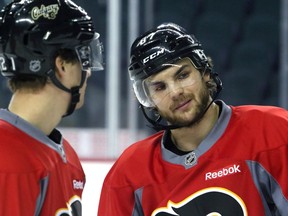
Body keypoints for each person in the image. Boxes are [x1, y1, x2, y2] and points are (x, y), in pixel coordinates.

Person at [98, 22, 288, 215]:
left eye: (182, 75)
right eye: (159, 87)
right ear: (149, 101)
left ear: (205, 72)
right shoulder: (129, 173)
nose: (175, 92)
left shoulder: (273, 131)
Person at [0, 0, 103, 215]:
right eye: (83, 57)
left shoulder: (67, 156)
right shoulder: (7, 162)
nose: (89, 72)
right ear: (62, 65)